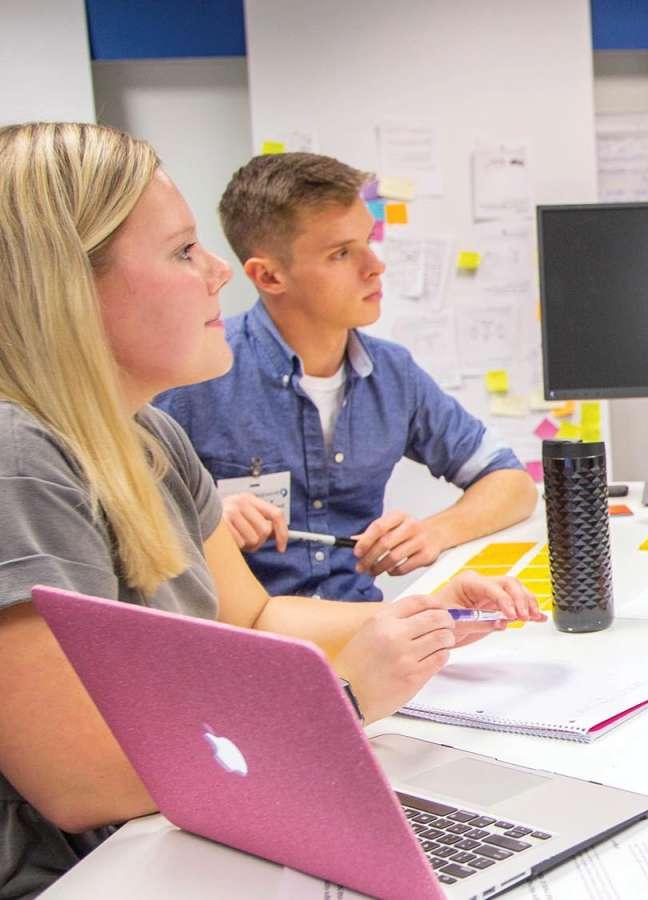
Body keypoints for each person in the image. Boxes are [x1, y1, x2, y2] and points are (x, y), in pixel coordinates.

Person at [0, 122, 545, 898]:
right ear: (64, 285)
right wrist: (344, 700)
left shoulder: (149, 434)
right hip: (89, 869)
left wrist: (421, 616)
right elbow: (81, 783)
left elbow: (252, 620)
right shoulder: (18, 460)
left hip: (178, 823)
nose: (218, 271)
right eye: (183, 251)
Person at [154, 152, 538, 601]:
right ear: (269, 276)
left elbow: (511, 483)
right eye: (340, 254)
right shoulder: (195, 375)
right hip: (247, 642)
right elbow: (121, 514)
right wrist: (204, 515)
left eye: (368, 241)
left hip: (363, 631)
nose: (375, 266)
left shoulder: (394, 374)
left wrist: (434, 532)